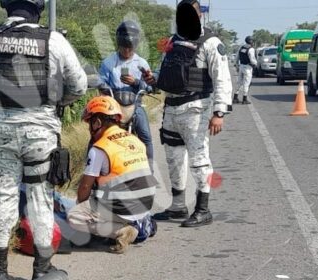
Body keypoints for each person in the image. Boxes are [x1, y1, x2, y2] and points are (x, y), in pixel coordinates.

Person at [0, 0, 87, 280]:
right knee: (40, 196)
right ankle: (42, 269)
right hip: (40, 133)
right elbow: (79, 86)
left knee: (2, 196)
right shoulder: (54, 41)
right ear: (38, 8)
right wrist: (58, 100)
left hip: (1, 133)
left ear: (7, 6)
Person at [143, 0, 232, 228]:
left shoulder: (211, 43)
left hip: (197, 109)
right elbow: (168, 72)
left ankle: (203, 209)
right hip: (172, 108)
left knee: (199, 160)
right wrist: (154, 80)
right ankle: (178, 207)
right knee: (173, 159)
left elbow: (222, 79)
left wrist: (219, 112)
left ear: (200, 14)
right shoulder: (173, 42)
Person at [67, 96, 157, 254]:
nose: (89, 129)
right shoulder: (134, 140)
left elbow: (85, 187)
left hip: (125, 208)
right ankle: (142, 221)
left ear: (98, 123)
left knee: (74, 216)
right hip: (145, 202)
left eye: (90, 123)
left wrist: (82, 207)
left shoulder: (99, 148)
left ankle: (123, 230)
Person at [97, 21, 155, 164]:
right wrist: (102, 87)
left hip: (135, 105)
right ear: (119, 44)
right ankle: (93, 170)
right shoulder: (108, 62)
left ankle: (150, 169)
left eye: (130, 48)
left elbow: (149, 86)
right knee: (97, 135)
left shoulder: (142, 64)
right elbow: (100, 82)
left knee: (146, 136)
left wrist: (135, 82)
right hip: (113, 106)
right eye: (124, 48)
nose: (127, 51)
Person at [235, 36, 257, 105]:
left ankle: (235, 97)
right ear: (251, 41)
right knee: (246, 84)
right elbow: (252, 59)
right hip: (248, 67)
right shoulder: (251, 49)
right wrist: (255, 64)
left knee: (239, 82)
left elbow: (237, 57)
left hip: (241, 66)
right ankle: (244, 99)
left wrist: (236, 64)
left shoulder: (241, 48)